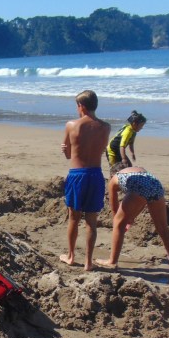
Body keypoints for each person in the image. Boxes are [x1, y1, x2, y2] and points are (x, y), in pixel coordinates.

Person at [60, 90, 111, 270]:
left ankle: (71, 256)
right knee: (91, 221)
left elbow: (68, 155)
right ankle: (88, 261)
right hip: (96, 174)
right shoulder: (106, 127)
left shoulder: (72, 125)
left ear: (81, 106)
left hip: (77, 174)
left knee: (74, 218)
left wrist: (65, 150)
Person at [95, 167, 169, 271]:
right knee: (163, 228)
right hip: (156, 186)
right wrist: (130, 218)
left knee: (118, 223)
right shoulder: (138, 170)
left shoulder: (114, 179)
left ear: (112, 175)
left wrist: (119, 224)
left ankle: (112, 261)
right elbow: (142, 201)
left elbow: (114, 207)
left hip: (139, 187)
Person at [106, 111, 147, 175]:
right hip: (111, 151)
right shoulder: (127, 131)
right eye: (141, 125)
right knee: (114, 169)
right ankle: (112, 180)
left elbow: (131, 143)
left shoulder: (134, 131)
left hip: (118, 150)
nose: (142, 128)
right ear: (134, 123)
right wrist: (123, 159)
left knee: (129, 166)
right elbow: (122, 146)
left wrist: (132, 153)